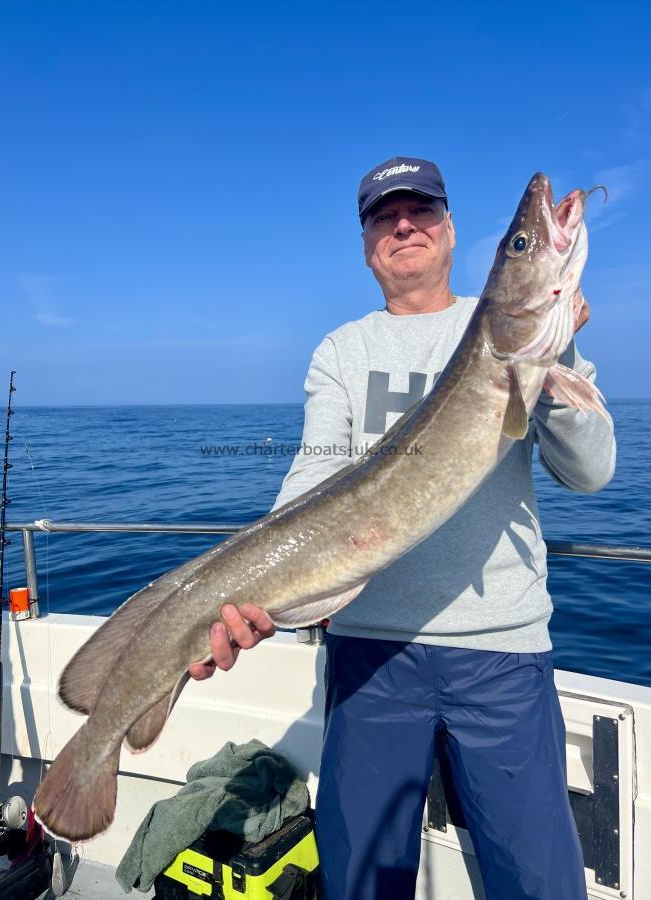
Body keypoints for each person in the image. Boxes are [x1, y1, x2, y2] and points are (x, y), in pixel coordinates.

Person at [189, 157, 616, 899]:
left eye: (421, 212)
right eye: (385, 217)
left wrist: (555, 356)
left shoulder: (510, 332)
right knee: (361, 882)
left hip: (501, 655)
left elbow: (590, 472)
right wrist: (258, 597)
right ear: (366, 247)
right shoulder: (342, 352)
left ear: (452, 234)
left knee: (540, 881)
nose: (404, 226)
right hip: (370, 658)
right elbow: (311, 481)